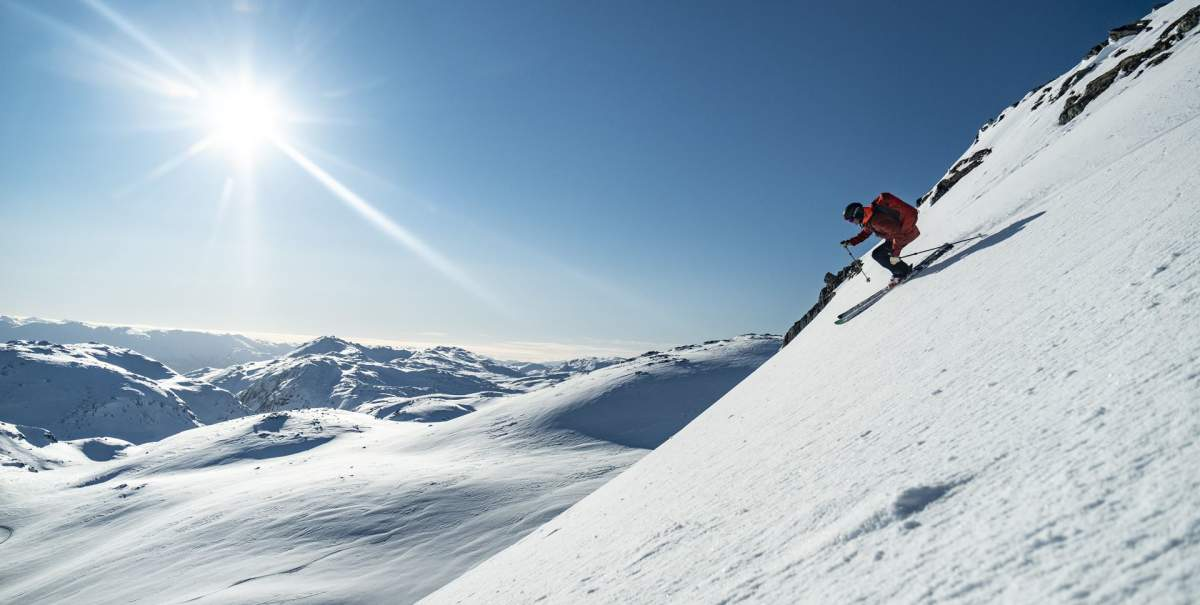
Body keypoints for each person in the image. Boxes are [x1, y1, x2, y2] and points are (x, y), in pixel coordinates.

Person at [840, 192, 921, 286]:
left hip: (905, 234)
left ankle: (902, 272)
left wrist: (895, 255)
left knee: (879, 254)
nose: (852, 223)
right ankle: (902, 270)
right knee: (878, 254)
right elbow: (865, 233)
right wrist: (850, 242)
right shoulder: (869, 219)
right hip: (897, 237)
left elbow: (898, 234)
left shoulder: (877, 220)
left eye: (851, 220)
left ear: (857, 213)